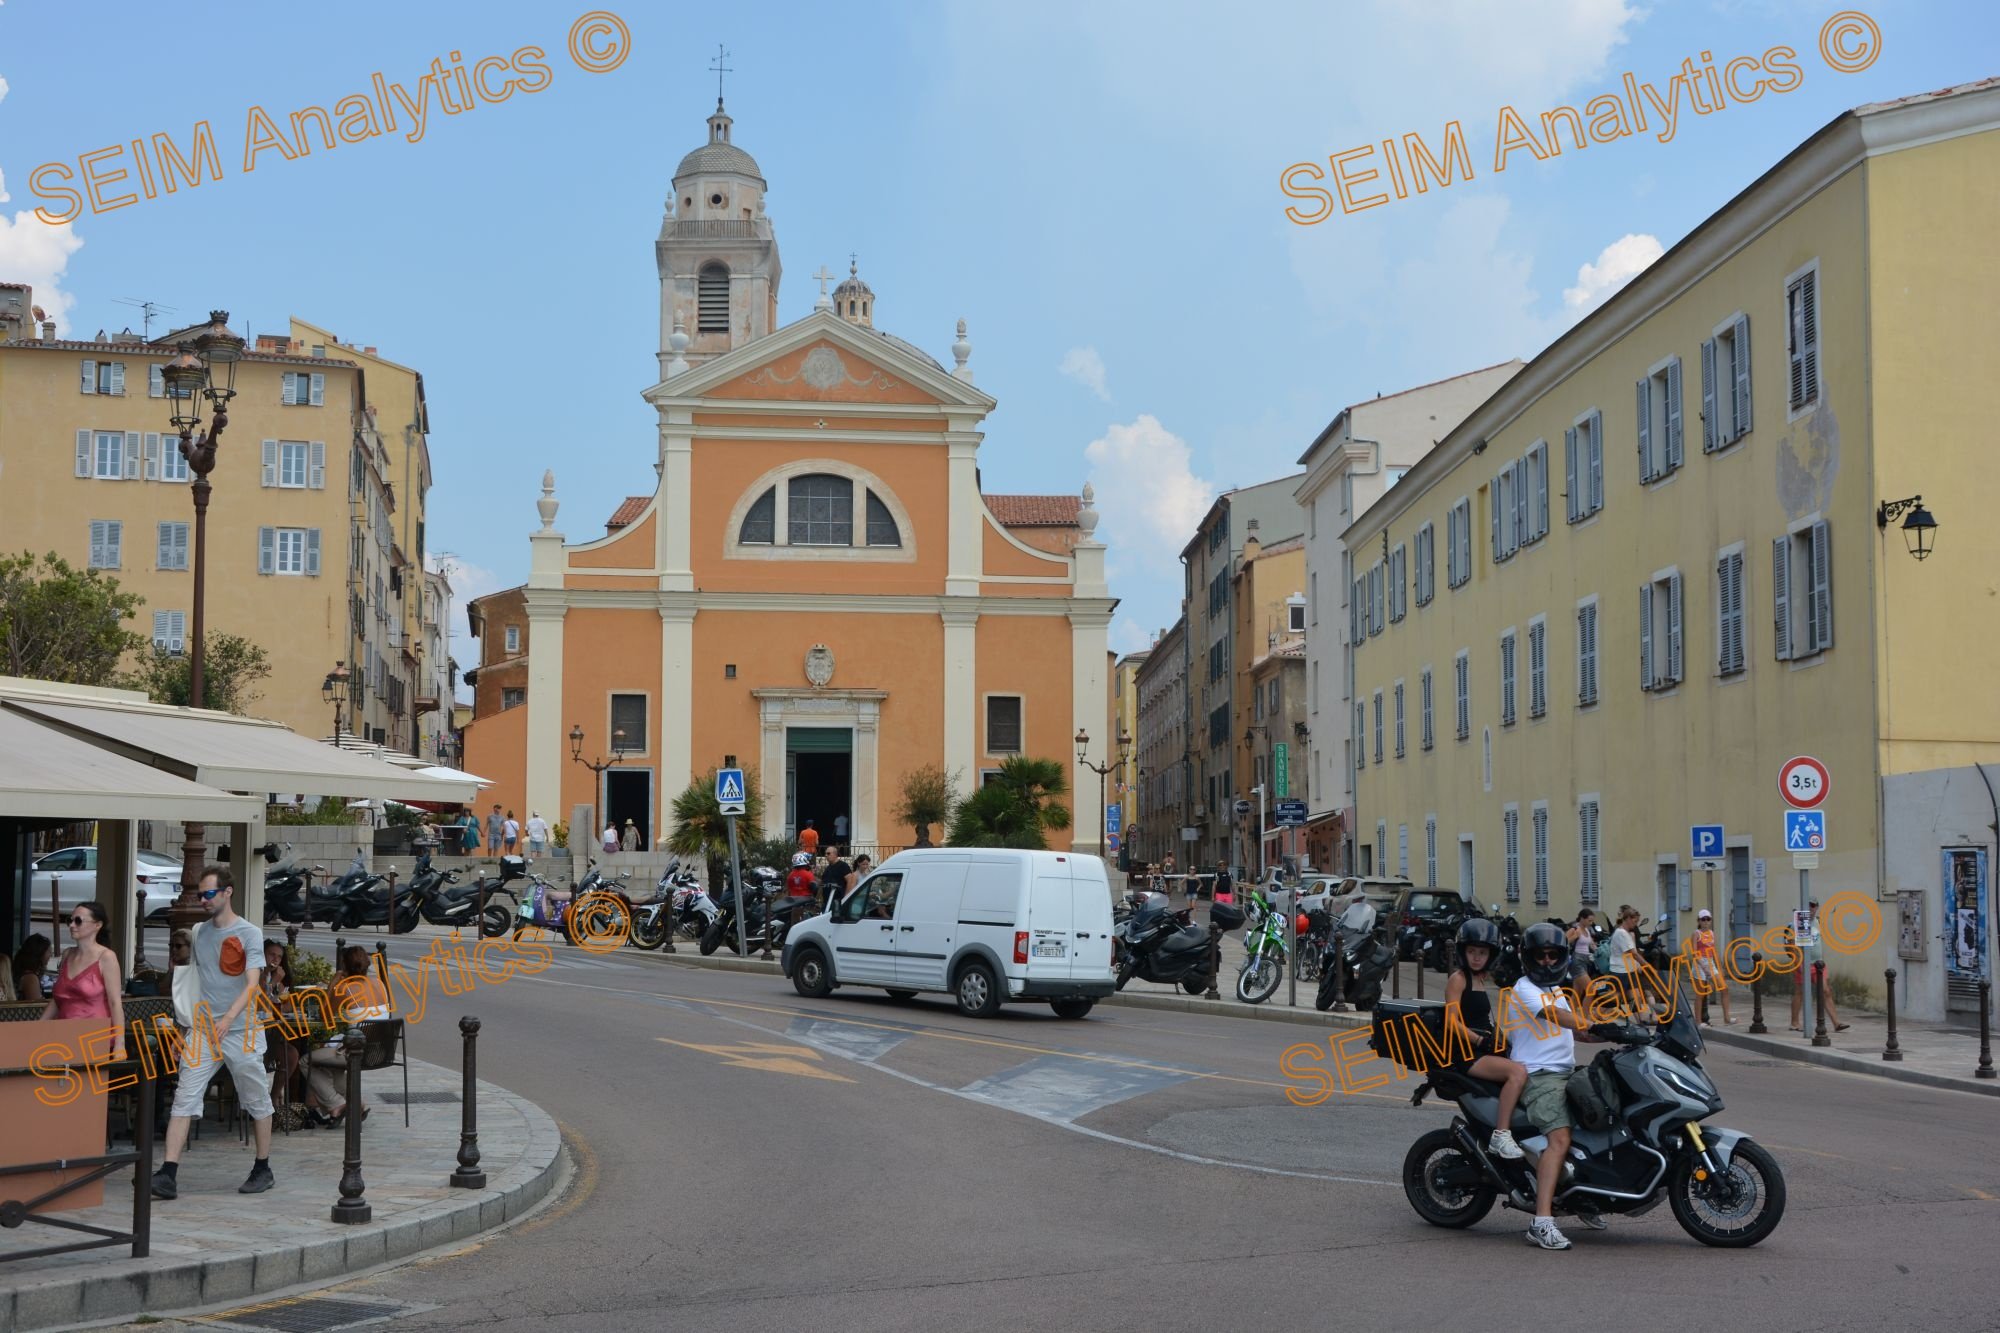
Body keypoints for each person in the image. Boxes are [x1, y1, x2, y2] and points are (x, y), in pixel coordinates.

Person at [152, 866, 277, 1199]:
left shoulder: (249, 933)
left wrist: (229, 1017)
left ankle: (262, 1167)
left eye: (209, 894)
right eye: (200, 894)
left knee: (255, 1098)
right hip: (204, 1030)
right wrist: (182, 1031)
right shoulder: (198, 932)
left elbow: (253, 984)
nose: (203, 900)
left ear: (227, 892)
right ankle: (168, 1173)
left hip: (243, 1029)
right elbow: (193, 986)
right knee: (184, 1096)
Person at [1512, 921, 1610, 1249]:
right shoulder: (1524, 988)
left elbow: (1576, 1030)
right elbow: (1555, 1017)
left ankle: (1583, 1196)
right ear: (1528, 958)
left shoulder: (1557, 990)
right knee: (1560, 1139)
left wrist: (1616, 1032)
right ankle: (1541, 1222)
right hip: (1539, 1076)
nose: (1548, 962)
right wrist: (1589, 1021)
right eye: (1541, 956)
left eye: (1554, 955)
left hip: (1565, 1073)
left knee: (1605, 1118)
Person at [1441, 918, 1528, 1161]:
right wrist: (1479, 1041)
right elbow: (1452, 1021)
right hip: (1467, 1053)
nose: (1477, 957)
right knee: (1517, 1073)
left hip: (1483, 1047)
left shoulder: (1480, 979)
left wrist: (1504, 1041)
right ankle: (1500, 1136)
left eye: (1482, 952)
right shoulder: (1458, 979)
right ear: (1463, 952)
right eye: (1471, 951)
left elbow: (1485, 1019)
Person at [305, 946, 388, 1125]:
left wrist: (333, 985)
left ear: (345, 966)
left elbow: (324, 1016)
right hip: (380, 1051)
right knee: (331, 1063)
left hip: (357, 1052)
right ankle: (358, 1105)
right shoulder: (380, 983)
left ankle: (337, 1104)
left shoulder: (346, 987)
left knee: (306, 1061)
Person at [42, 902, 127, 1061]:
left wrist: (119, 1044)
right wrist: (38, 1027)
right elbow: (58, 999)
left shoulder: (106, 957)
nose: (72, 925)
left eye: (79, 921)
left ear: (97, 925)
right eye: (70, 920)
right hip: (63, 1036)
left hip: (94, 1037)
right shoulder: (68, 954)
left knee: (88, 1084)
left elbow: (115, 1003)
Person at [1790, 900, 1848, 1032]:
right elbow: (1791, 945)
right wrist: (1798, 963)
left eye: (1813, 906)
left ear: (1816, 908)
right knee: (1800, 992)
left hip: (1818, 964)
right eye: (1808, 905)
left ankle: (1836, 1023)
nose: (1811, 908)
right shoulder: (1798, 922)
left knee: (1826, 991)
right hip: (1803, 963)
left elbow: (1820, 943)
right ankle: (1794, 1022)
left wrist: (1823, 960)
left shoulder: (1818, 921)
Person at [1328, 889, 1379, 1012]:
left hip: (1359, 937)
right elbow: (1344, 919)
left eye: (1359, 899)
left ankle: (1344, 996)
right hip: (1349, 936)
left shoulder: (1368, 912)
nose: (1357, 901)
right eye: (1356, 899)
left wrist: (1369, 931)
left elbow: (1368, 925)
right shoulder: (1352, 909)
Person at [1691, 909, 1733, 1026]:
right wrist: (1703, 966)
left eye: (1708, 919)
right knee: (1701, 993)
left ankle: (1727, 1018)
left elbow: (1714, 951)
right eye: (1703, 919)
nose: (1705, 922)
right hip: (1699, 963)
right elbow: (1694, 952)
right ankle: (1698, 1021)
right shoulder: (1696, 934)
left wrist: (1720, 967)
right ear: (1699, 921)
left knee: (1724, 988)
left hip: (1710, 962)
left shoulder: (1712, 933)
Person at [12, 934, 53, 1004]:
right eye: (48, 951)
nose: (51, 954)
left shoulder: (25, 972)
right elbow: (37, 1007)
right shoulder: (30, 978)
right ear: (40, 953)